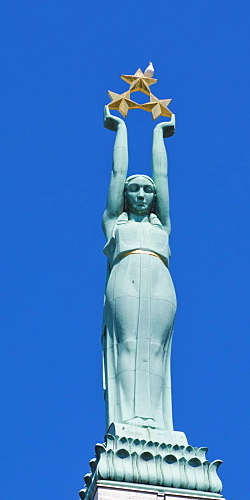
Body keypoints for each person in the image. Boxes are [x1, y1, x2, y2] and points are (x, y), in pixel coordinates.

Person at [101, 106, 177, 432]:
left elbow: (163, 176)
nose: (142, 194)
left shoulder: (163, 227)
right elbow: (118, 174)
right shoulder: (113, 223)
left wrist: (159, 134)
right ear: (126, 196)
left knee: (156, 349)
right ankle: (130, 417)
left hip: (160, 278)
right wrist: (121, 129)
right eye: (135, 189)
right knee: (129, 344)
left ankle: (156, 422)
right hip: (126, 273)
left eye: (148, 190)